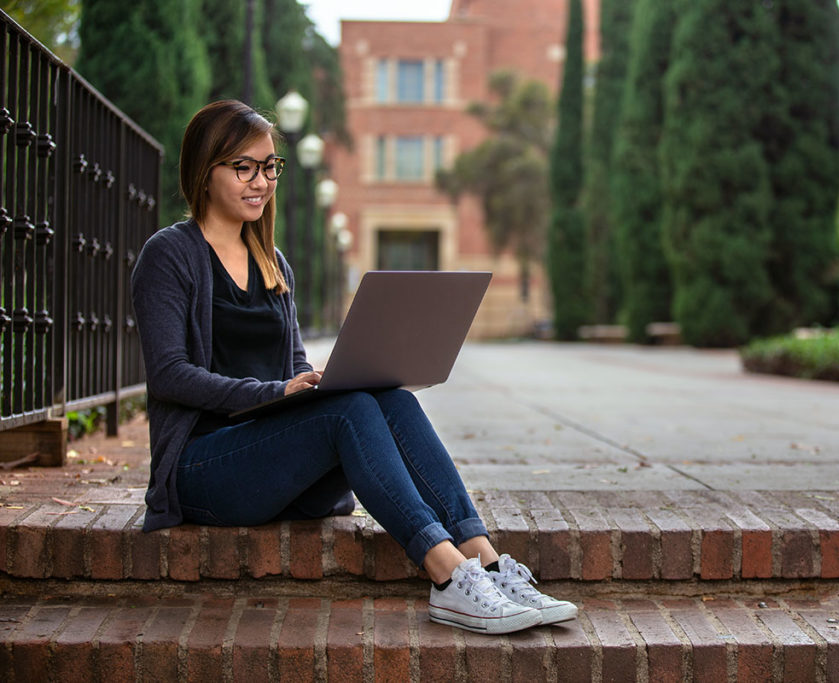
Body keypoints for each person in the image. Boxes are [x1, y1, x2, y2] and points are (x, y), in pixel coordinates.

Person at [131, 100, 577, 635]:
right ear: (204, 171)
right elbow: (168, 375)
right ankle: (446, 576)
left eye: (270, 166)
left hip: (275, 466)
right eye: (243, 167)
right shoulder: (170, 254)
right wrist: (272, 393)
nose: (261, 181)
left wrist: (316, 380)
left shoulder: (274, 264)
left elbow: (293, 364)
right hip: (204, 469)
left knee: (388, 397)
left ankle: (483, 561)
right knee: (348, 412)